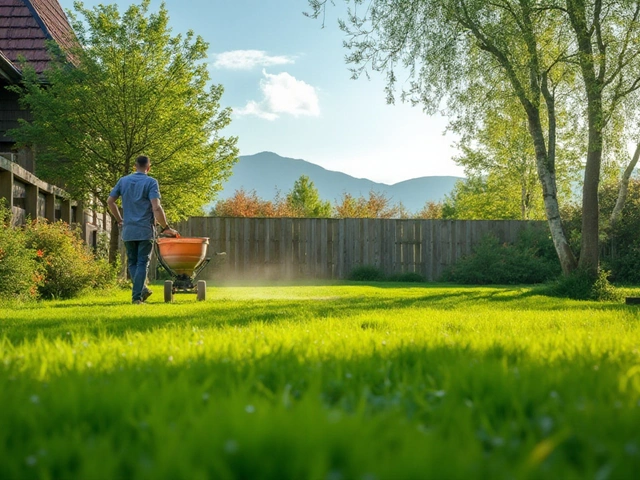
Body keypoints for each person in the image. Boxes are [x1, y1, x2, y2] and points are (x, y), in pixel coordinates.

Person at [107, 155, 178, 304]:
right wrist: (165, 227)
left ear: (135, 166)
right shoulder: (151, 182)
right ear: (148, 167)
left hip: (128, 230)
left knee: (132, 263)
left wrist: (120, 220)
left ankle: (142, 289)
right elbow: (156, 207)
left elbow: (110, 201)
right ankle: (137, 298)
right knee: (142, 263)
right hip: (145, 230)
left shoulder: (123, 181)